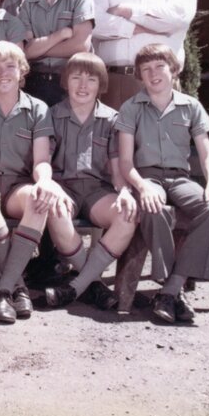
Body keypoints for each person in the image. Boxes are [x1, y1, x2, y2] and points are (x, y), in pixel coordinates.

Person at [116, 43, 209, 324]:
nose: (153, 74)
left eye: (159, 67)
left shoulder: (191, 106)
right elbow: (125, 162)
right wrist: (142, 187)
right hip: (147, 176)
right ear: (140, 76)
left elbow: (207, 154)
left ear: (173, 70)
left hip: (180, 178)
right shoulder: (131, 108)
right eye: (146, 69)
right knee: (153, 207)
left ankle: (170, 289)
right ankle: (173, 292)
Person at [0, 41, 63, 323]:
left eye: (10, 66)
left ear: (22, 71)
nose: (3, 73)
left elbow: (41, 160)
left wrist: (44, 181)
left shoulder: (38, 108)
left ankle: (3, 288)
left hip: (18, 184)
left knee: (38, 198)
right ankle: (17, 288)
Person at [42, 53, 137, 312]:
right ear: (66, 82)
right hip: (64, 187)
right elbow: (44, 161)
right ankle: (92, 285)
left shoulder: (112, 119)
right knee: (55, 209)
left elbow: (116, 166)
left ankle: (77, 286)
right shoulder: (52, 116)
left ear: (100, 85)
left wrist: (124, 191)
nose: (83, 86)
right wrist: (51, 186)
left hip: (98, 191)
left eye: (91, 80)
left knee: (127, 214)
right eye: (76, 78)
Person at [19, 0, 94, 106]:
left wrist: (39, 49)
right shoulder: (28, 3)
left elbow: (80, 46)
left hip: (70, 81)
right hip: (35, 81)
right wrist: (59, 35)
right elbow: (26, 51)